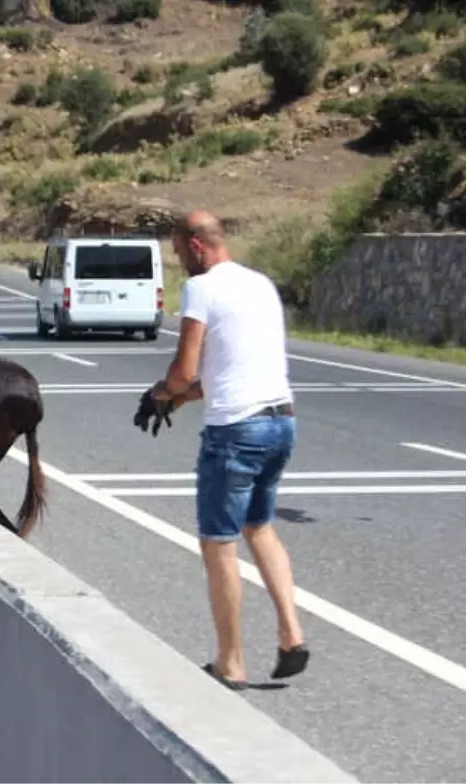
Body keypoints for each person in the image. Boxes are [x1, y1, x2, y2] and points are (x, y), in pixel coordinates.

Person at [138, 210, 309, 690]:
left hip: (235, 433)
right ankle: (291, 633)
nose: (178, 264)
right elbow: (223, 376)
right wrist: (176, 397)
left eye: (177, 253)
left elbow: (185, 371)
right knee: (260, 527)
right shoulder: (260, 285)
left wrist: (162, 394)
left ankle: (231, 662)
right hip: (280, 422)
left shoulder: (203, 288)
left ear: (196, 246)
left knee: (218, 543)